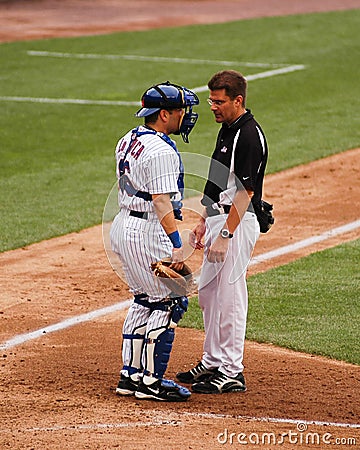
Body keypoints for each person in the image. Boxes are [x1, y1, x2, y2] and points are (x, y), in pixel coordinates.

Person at [176, 70, 268, 394]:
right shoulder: (227, 130)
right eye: (211, 100)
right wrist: (204, 220)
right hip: (219, 220)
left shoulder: (249, 135)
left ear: (237, 100)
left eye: (219, 101)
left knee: (229, 296)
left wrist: (226, 235)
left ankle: (231, 371)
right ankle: (213, 360)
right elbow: (216, 181)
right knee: (209, 294)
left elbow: (246, 192)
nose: (212, 107)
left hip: (237, 223)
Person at [110, 81, 199, 402]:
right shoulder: (161, 150)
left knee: (144, 299)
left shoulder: (129, 138)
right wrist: (176, 242)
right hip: (148, 230)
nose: (185, 117)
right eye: (180, 111)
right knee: (170, 301)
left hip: (124, 225)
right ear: (164, 114)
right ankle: (150, 381)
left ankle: (131, 375)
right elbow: (161, 201)